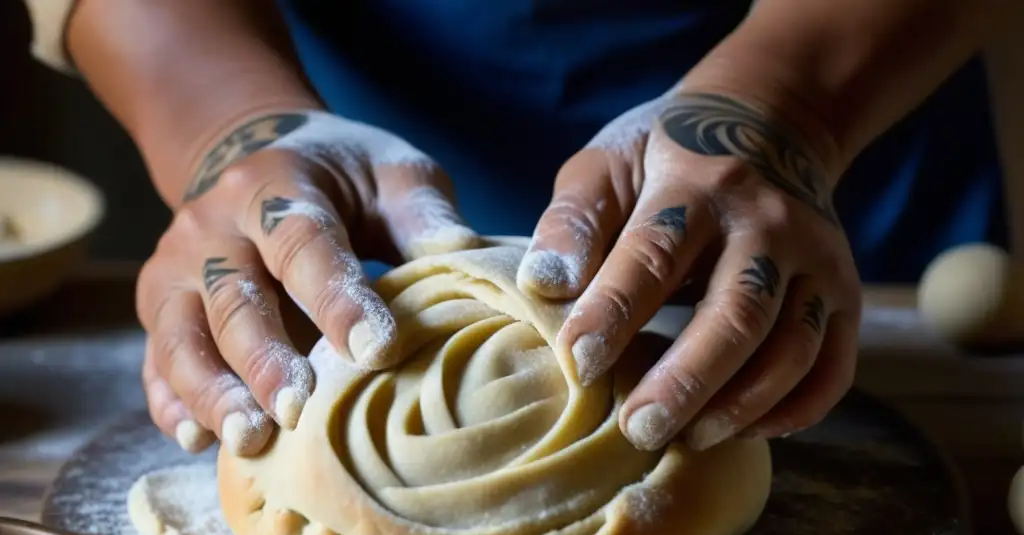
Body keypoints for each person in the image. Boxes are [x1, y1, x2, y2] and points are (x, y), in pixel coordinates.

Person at [24, 0, 1007, 461]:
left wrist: (788, 106)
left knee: (797, 408)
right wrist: (228, 132)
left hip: (826, 196)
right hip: (338, 206)